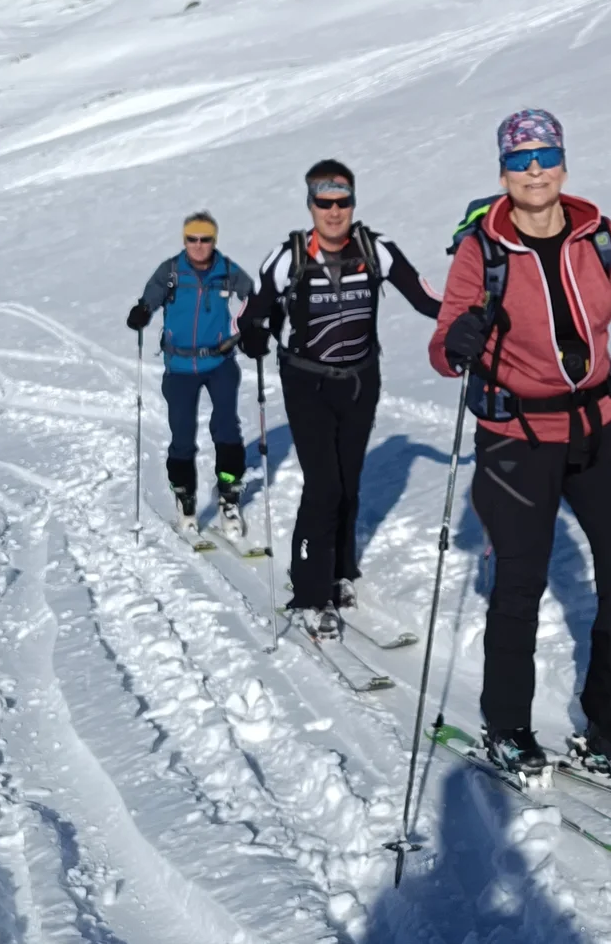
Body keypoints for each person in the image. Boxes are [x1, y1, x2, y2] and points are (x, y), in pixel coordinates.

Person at [429, 107, 611, 787]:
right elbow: (444, 345)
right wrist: (459, 344)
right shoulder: (483, 249)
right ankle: (508, 728)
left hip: (597, 427)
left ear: (563, 162)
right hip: (516, 438)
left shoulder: (601, 236)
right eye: (521, 160)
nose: (535, 171)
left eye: (546, 156)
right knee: (520, 582)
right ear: (503, 170)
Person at [239, 158, 441, 634]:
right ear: (310, 204)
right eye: (324, 202)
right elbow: (252, 311)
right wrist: (253, 333)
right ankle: (310, 591)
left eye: (342, 201)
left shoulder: (376, 249)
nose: (334, 211)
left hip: (360, 380)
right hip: (306, 382)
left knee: (349, 482)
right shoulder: (287, 256)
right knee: (324, 485)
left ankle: (341, 571)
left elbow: (427, 299)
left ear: (353, 202)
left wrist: (475, 314)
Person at [126, 212, 257, 535]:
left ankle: (229, 494)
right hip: (180, 367)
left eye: (205, 239)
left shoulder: (227, 271)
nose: (199, 246)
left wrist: (252, 326)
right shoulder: (170, 272)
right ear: (185, 240)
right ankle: (184, 495)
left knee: (227, 428)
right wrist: (142, 312)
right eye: (192, 239)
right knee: (182, 434)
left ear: (214, 240)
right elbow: (151, 299)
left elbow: (255, 299)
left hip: (220, 362)